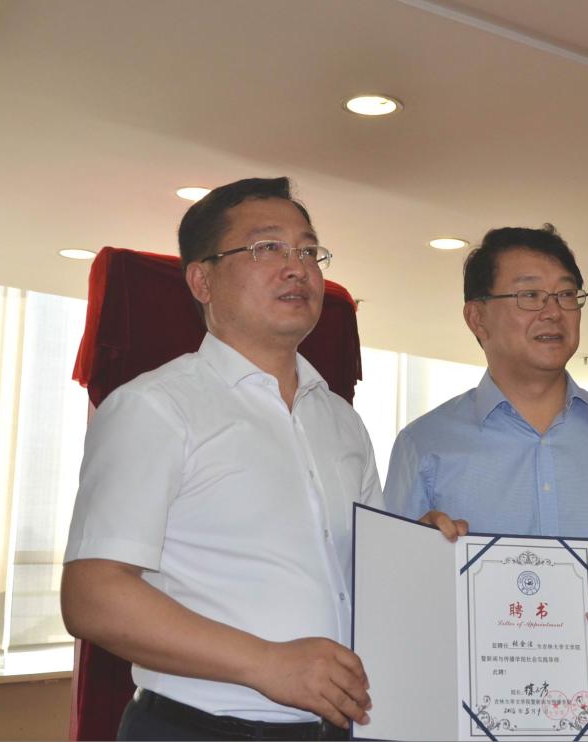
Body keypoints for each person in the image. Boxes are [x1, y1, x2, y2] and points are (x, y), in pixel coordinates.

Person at [61, 177, 383, 741]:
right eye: (268, 247)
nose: (297, 267)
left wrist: (427, 548)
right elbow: (92, 595)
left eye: (308, 250)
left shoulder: (341, 420)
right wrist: (267, 663)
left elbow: (369, 572)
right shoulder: (156, 406)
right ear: (202, 280)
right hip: (198, 729)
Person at [384, 224, 588, 741]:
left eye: (566, 294)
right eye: (529, 295)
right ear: (477, 316)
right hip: (471, 702)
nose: (554, 312)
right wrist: (421, 550)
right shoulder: (426, 443)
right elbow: (391, 584)